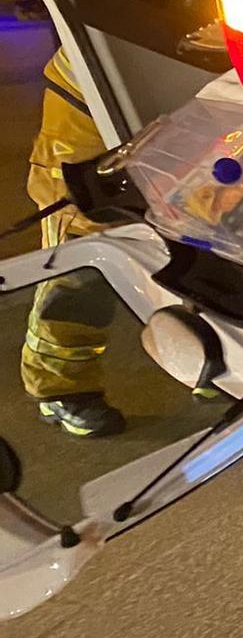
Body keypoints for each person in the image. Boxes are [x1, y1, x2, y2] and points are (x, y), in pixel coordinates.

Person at [21, 49, 124, 437]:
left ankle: (212, 362)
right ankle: (63, 390)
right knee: (82, 275)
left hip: (176, 118)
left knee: (209, 246)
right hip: (85, 136)